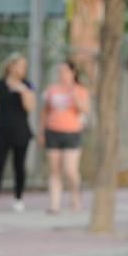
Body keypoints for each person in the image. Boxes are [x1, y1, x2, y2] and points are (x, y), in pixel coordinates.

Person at [0, 52, 36, 212]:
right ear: (11, 66)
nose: (23, 69)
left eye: (25, 66)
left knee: (19, 166)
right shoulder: (0, 85)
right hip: (2, 131)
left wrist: (23, 91)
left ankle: (18, 198)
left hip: (21, 132)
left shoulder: (27, 85)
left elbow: (30, 107)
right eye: (20, 65)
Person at [37, 60, 89, 213]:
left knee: (70, 170)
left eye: (66, 71)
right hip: (53, 132)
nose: (62, 74)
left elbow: (85, 110)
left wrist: (74, 94)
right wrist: (41, 131)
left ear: (73, 73)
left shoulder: (80, 90)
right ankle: (55, 204)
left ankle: (75, 197)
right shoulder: (52, 90)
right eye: (60, 71)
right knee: (54, 170)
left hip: (72, 132)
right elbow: (45, 111)